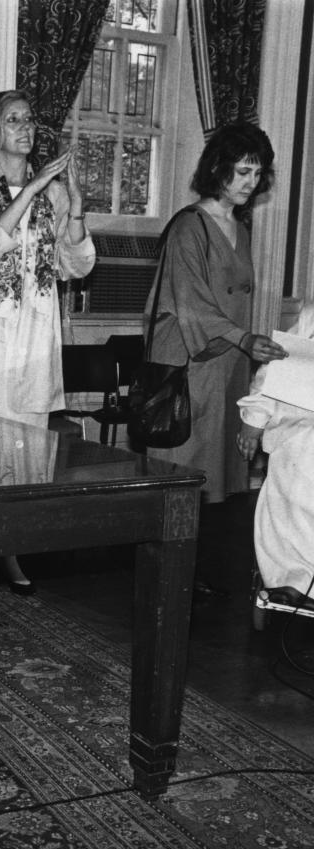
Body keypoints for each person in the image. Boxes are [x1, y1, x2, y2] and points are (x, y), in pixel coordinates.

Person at [0, 89, 95, 598]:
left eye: (29, 119)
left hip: (32, 339)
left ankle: (8, 549)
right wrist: (30, 192)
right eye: (13, 120)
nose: (26, 128)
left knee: (23, 450)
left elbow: (77, 266)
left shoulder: (52, 194)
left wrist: (73, 207)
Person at [144, 122, 287, 592]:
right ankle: (169, 571)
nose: (250, 182)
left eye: (257, 173)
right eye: (242, 171)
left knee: (214, 475)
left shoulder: (239, 227)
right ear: (218, 169)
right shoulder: (190, 225)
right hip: (191, 365)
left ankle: (194, 568)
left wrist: (248, 343)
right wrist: (243, 338)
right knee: (184, 471)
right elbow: (190, 303)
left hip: (226, 365)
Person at [236, 303, 314, 611]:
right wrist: (252, 422)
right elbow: (277, 369)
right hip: (304, 425)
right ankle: (295, 580)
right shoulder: (311, 317)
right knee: (301, 460)